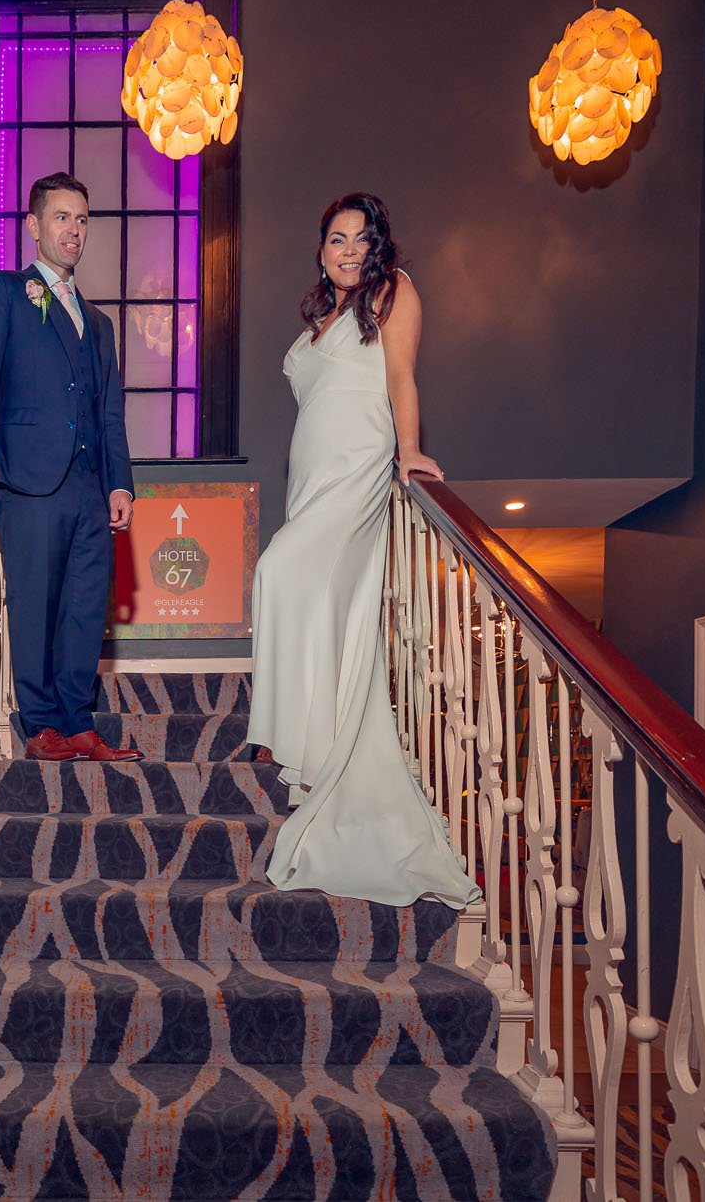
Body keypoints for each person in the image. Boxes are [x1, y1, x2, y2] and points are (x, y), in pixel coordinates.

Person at [247, 192, 479, 907]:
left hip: (356, 466)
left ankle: (303, 741)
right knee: (312, 596)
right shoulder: (321, 315)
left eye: (359, 238)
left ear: (375, 245)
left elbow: (400, 374)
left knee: (279, 569)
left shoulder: (393, 290)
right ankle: (316, 742)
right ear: (321, 250)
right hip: (312, 476)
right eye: (335, 239)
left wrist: (409, 449)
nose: (347, 249)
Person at [0, 173, 141, 763]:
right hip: (30, 478)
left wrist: (119, 482)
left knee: (86, 606)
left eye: (82, 219)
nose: (74, 231)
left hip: (89, 486)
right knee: (35, 602)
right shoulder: (6, 291)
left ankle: (78, 721)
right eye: (62, 218)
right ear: (33, 226)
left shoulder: (101, 324)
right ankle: (39, 723)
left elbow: (110, 411)